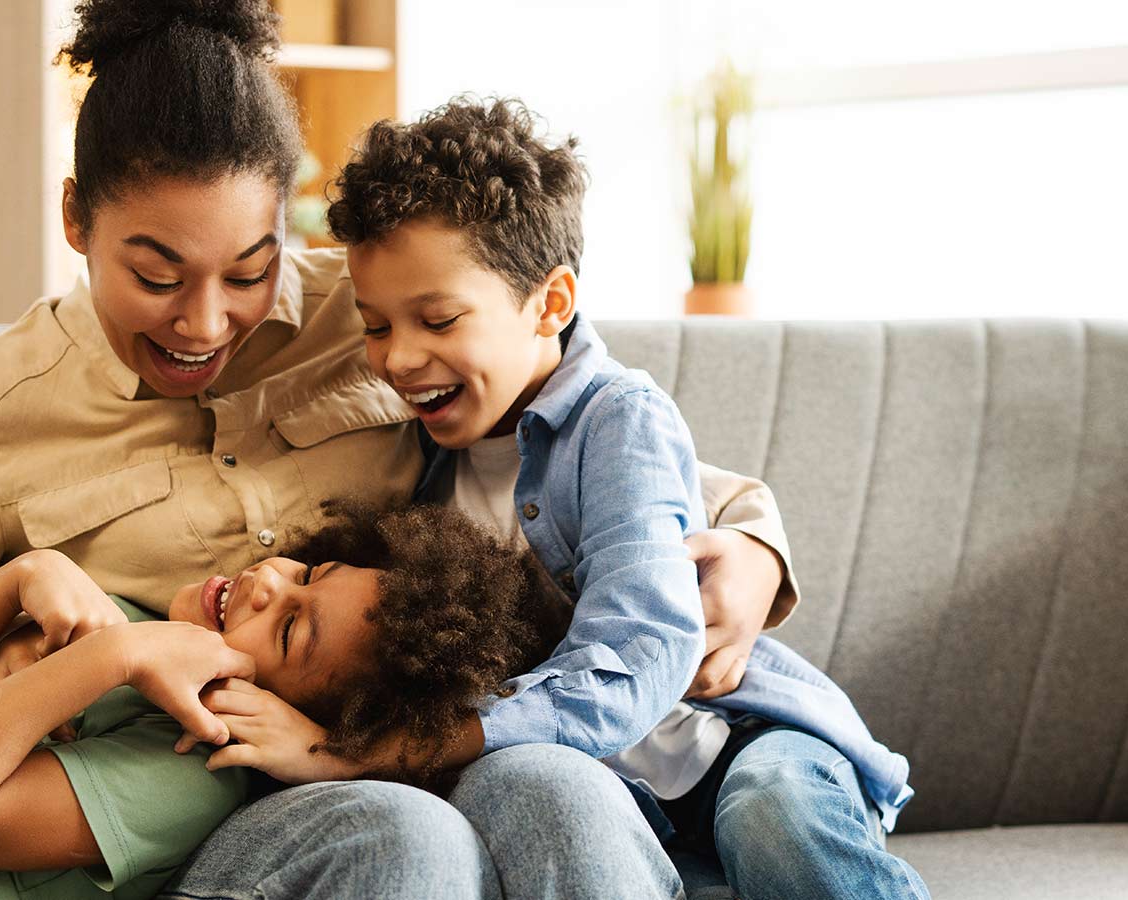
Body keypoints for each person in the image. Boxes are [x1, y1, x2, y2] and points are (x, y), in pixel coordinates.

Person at [0, 2, 799, 898]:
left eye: (248, 267)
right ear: (76, 218)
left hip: (336, 763)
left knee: (510, 798)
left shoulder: (374, 313)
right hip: (175, 795)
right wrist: (22, 622)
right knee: (401, 833)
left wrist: (752, 548)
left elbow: (576, 448)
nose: (204, 321)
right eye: (156, 273)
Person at [324, 96, 932, 900]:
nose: (399, 358)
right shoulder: (417, 464)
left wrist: (442, 737)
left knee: (771, 815)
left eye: (437, 319)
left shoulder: (619, 420)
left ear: (551, 303)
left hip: (733, 741)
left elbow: (643, 644)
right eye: (375, 325)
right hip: (613, 793)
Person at [0, 503, 563, 900]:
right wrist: (18, 578)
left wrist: (112, 657)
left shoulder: (188, 767)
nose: (270, 582)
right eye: (312, 569)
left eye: (291, 628)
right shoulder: (127, 626)